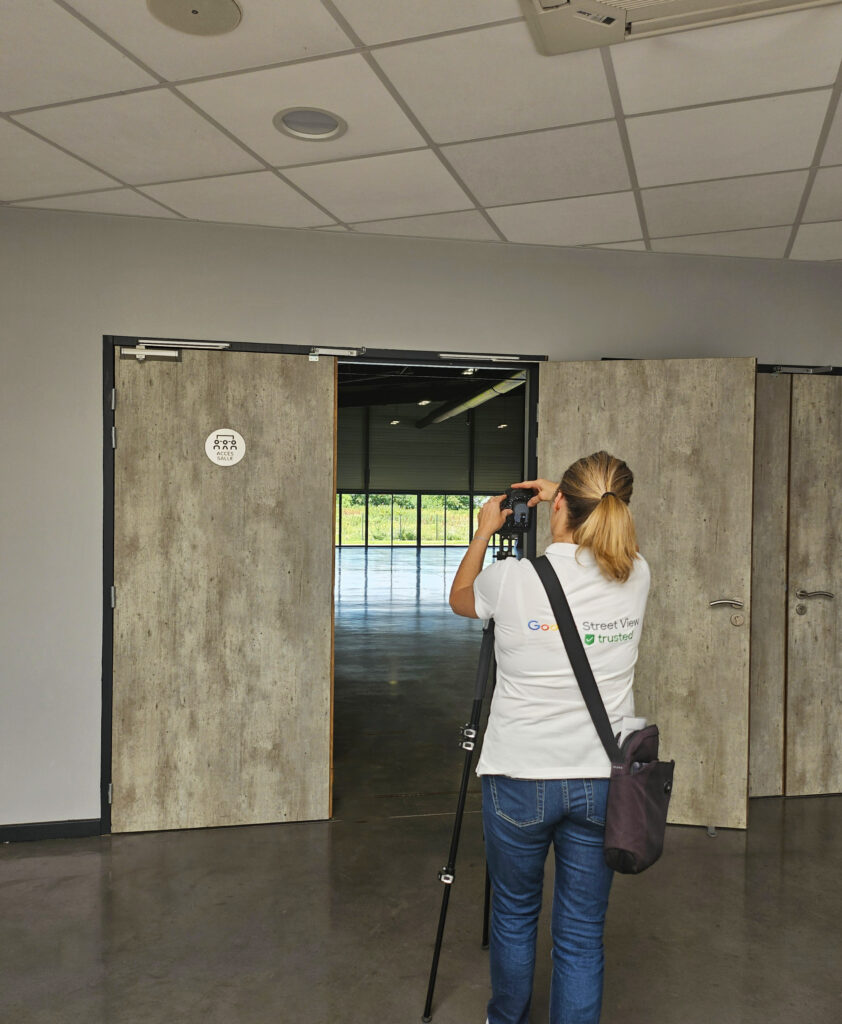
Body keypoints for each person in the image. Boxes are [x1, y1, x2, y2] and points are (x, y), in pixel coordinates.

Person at [449, 451, 650, 1024]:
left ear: (557, 503)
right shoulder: (636, 573)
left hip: (518, 777)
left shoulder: (512, 579)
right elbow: (598, 517)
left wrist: (485, 531)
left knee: (513, 915)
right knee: (583, 932)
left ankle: (505, 1019)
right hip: (600, 778)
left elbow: (461, 600)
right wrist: (570, 490)